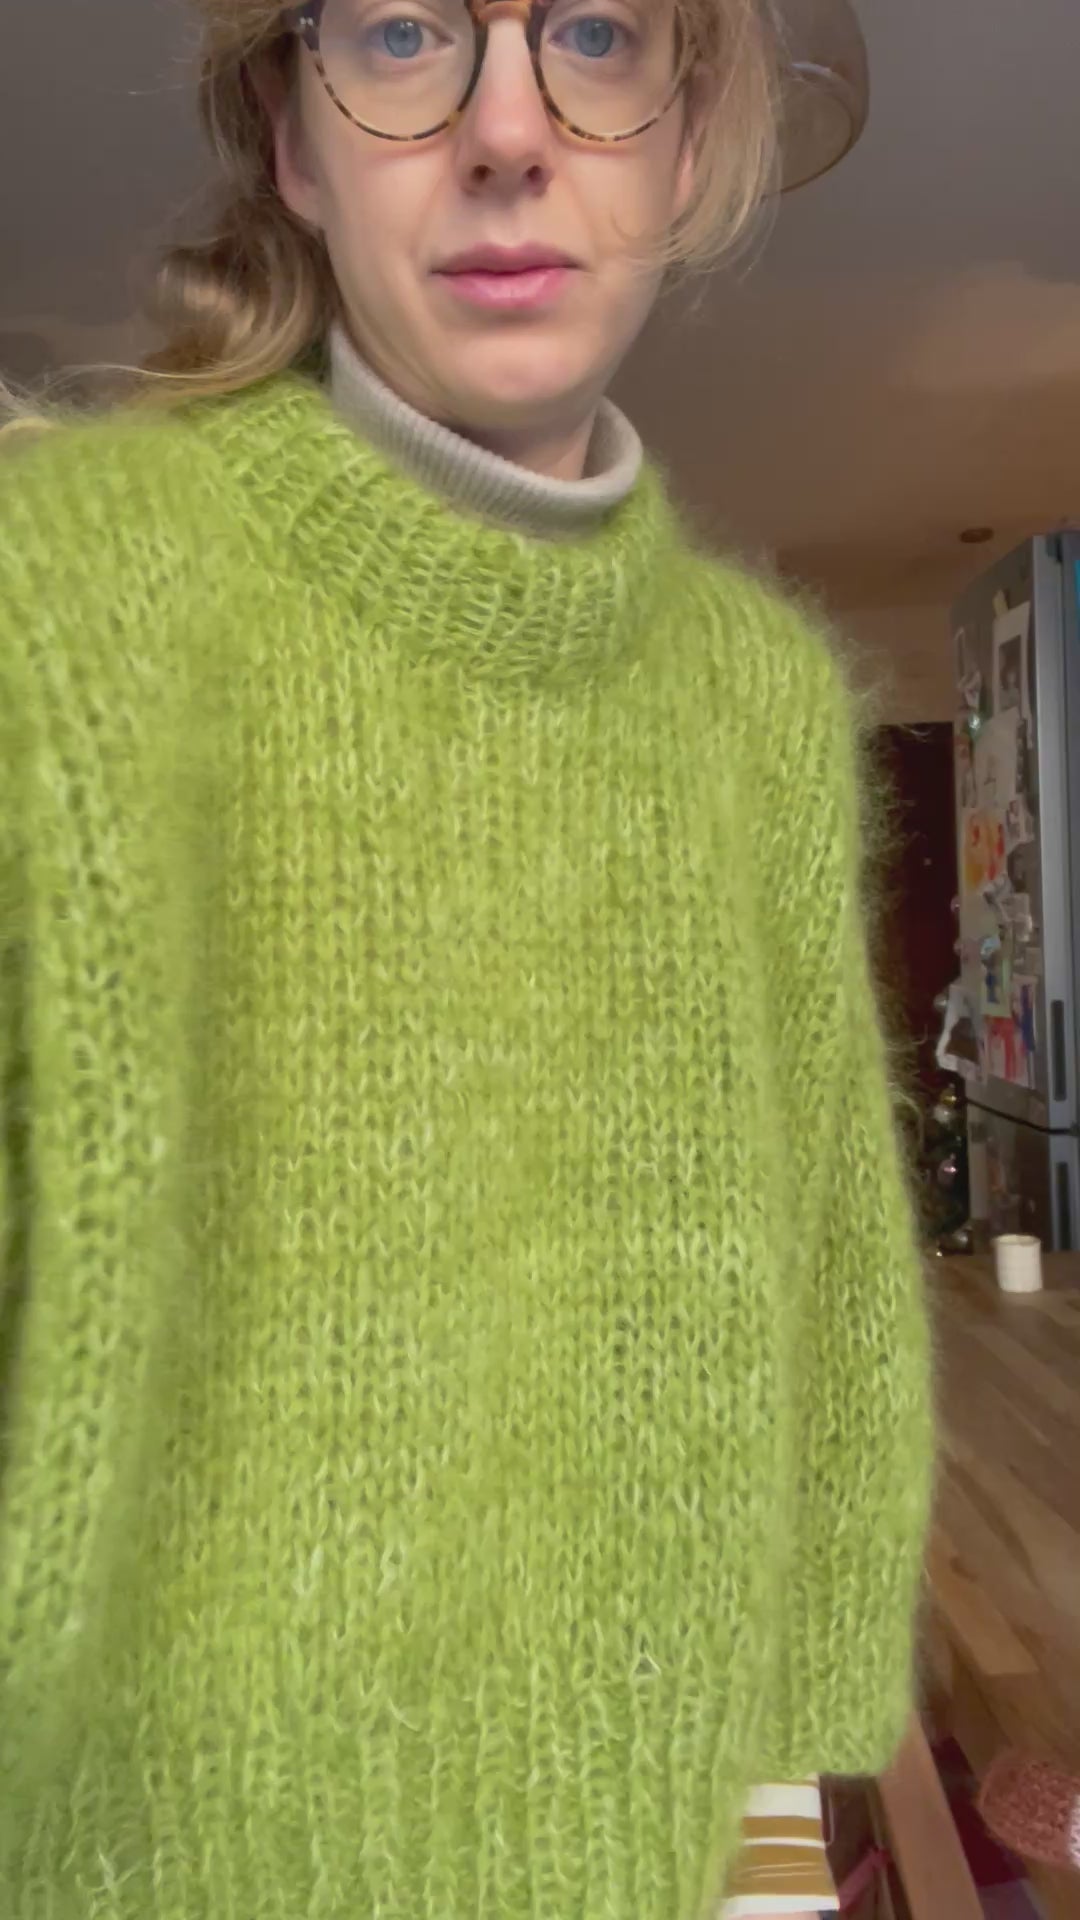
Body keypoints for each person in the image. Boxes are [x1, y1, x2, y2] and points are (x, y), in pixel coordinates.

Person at [0, 2, 932, 1916]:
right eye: (408, 33)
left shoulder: (757, 700)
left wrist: (774, 1820)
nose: (509, 133)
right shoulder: (53, 599)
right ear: (293, 137)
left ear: (688, 139)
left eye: (594, 33)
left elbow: (835, 1258)